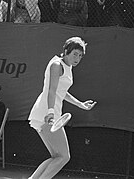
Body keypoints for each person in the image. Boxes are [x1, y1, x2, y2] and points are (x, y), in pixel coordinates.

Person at [28, 37, 97, 179]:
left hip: (52, 112)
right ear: (66, 51)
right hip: (46, 112)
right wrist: (51, 112)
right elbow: (52, 90)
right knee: (64, 157)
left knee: (57, 156)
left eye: (80, 55)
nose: (77, 58)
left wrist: (80, 104)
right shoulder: (56, 65)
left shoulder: (68, 67)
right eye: (75, 54)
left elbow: (61, 92)